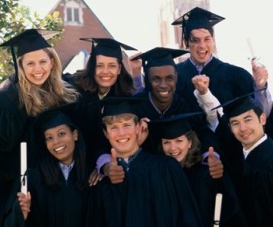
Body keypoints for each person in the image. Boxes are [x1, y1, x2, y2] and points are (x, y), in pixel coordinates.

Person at [0, 29, 79, 227]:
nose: (38, 69)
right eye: (30, 63)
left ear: (52, 62)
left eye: (43, 62)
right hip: (5, 182)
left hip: (43, 176)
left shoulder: (61, 88)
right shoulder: (8, 97)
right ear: (20, 66)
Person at [171, 7, 273, 190]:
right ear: (186, 42)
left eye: (206, 39)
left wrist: (259, 86)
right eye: (195, 41)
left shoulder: (234, 75)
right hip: (191, 165)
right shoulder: (174, 77)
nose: (202, 46)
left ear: (214, 40)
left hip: (235, 161)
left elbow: (261, 115)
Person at [86, 97, 202, 227]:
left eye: (126, 125)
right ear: (106, 133)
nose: (121, 133)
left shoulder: (166, 168)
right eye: (113, 128)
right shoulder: (102, 184)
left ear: (137, 127)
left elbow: (187, 218)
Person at [131, 47, 223, 177]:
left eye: (169, 78)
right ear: (147, 80)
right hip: (147, 176)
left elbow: (204, 131)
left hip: (184, 174)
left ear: (176, 77)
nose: (164, 85)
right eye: (156, 79)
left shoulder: (186, 103)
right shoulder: (135, 107)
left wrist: (210, 156)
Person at [217, 94, 273, 227]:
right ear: (230, 128)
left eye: (248, 119)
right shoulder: (243, 163)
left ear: (262, 119)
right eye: (235, 123)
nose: (243, 128)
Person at [150, 113, 248, 227]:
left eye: (179, 141)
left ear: (190, 143)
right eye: (166, 142)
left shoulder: (206, 175)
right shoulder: (158, 177)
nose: (173, 148)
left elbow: (231, 212)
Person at [63, 38, 140, 178]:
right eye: (100, 65)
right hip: (70, 165)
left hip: (101, 163)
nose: (105, 71)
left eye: (111, 65)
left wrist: (103, 164)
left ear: (119, 69)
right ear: (92, 67)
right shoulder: (72, 90)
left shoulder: (122, 96)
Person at [2, 102, 88, 227]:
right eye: (49, 138)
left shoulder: (91, 175)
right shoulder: (32, 178)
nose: (56, 142)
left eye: (62, 133)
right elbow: (9, 223)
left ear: (75, 135)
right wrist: (20, 214)